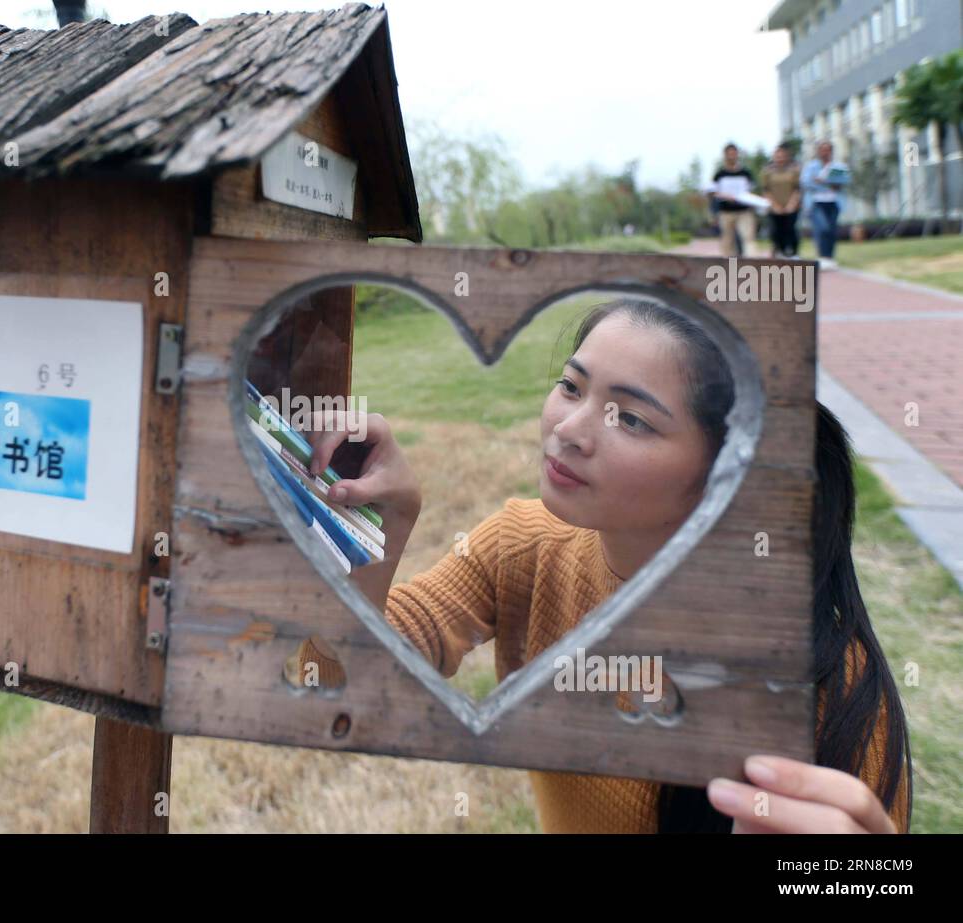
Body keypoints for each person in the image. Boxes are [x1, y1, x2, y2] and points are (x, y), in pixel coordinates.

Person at [301, 297, 913, 834]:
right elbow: (330, 683)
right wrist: (371, 539)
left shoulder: (828, 686)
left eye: (632, 418)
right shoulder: (523, 548)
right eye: (571, 386)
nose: (568, 429)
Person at [801, 140, 850, 269]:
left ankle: (830, 257)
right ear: (818, 151)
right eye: (822, 149)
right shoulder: (811, 167)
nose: (825, 152)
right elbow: (806, 183)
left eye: (827, 149)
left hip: (834, 202)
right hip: (816, 203)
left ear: (831, 151)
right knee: (822, 228)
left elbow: (842, 183)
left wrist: (821, 181)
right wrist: (829, 183)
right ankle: (822, 256)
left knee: (832, 230)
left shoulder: (838, 167)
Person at [712, 143, 757, 258]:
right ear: (725, 155)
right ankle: (728, 267)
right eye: (729, 154)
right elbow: (714, 192)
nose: (731, 156)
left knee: (748, 238)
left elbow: (751, 190)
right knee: (727, 241)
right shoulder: (720, 174)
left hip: (744, 211)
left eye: (734, 153)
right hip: (726, 211)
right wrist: (724, 196)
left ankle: (752, 264)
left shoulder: (746, 173)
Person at [762, 143, 802, 258]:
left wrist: (791, 205)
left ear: (787, 157)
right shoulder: (767, 171)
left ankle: (793, 254)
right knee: (776, 231)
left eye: (782, 156)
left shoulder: (794, 170)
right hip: (774, 208)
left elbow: (797, 189)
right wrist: (775, 206)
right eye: (777, 156)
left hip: (791, 207)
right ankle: (778, 253)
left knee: (790, 230)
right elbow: (766, 190)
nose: (780, 158)